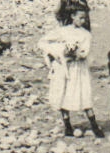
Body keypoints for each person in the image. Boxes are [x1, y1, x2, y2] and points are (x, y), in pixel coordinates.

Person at [40, 7, 103, 137]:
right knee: (63, 93)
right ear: (73, 16)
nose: (83, 20)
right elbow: (43, 41)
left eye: (85, 18)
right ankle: (67, 125)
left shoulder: (86, 34)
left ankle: (94, 125)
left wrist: (76, 54)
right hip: (63, 68)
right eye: (80, 17)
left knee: (83, 94)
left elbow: (85, 52)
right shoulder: (63, 31)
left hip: (78, 68)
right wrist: (56, 52)